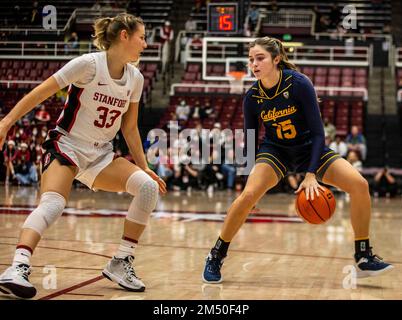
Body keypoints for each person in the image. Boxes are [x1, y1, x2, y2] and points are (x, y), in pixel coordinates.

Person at [0, 13, 166, 299]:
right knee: (52, 205)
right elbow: (39, 93)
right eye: (142, 36)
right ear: (124, 36)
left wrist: (145, 167)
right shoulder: (88, 65)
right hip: (68, 146)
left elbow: (129, 127)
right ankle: (17, 268)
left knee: (148, 187)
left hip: (101, 154)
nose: (145, 44)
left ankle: (120, 261)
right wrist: (5, 122)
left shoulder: (136, 78)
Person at [202, 36, 393, 284]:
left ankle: (364, 256)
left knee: (360, 185)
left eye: (260, 58)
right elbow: (250, 140)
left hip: (309, 147)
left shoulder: (300, 83)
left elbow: (318, 133)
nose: (254, 64)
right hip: (276, 151)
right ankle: (216, 255)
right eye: (251, 60)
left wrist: (311, 174)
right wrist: (246, 182)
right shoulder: (252, 97)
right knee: (247, 197)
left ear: (276, 59)